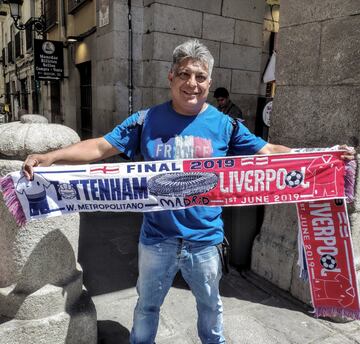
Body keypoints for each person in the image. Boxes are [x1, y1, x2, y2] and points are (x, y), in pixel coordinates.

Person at [22, 39, 356, 344]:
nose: (191, 83)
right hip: (156, 240)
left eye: (199, 76)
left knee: (210, 310)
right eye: (184, 74)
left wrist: (324, 156)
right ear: (171, 77)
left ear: (208, 83)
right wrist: (49, 157)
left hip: (206, 242)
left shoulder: (225, 125)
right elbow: (100, 148)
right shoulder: (145, 121)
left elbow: (268, 153)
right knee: (147, 308)